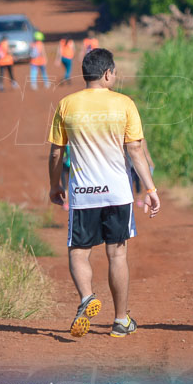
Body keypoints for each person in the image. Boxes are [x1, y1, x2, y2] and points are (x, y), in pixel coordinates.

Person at [48, 48, 160, 339]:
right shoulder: (124, 104)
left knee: (78, 252)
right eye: (115, 72)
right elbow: (135, 150)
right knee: (117, 254)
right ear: (108, 73)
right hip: (118, 194)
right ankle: (121, 321)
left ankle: (87, 297)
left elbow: (56, 152)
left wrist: (55, 185)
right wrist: (150, 189)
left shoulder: (66, 104)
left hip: (84, 193)